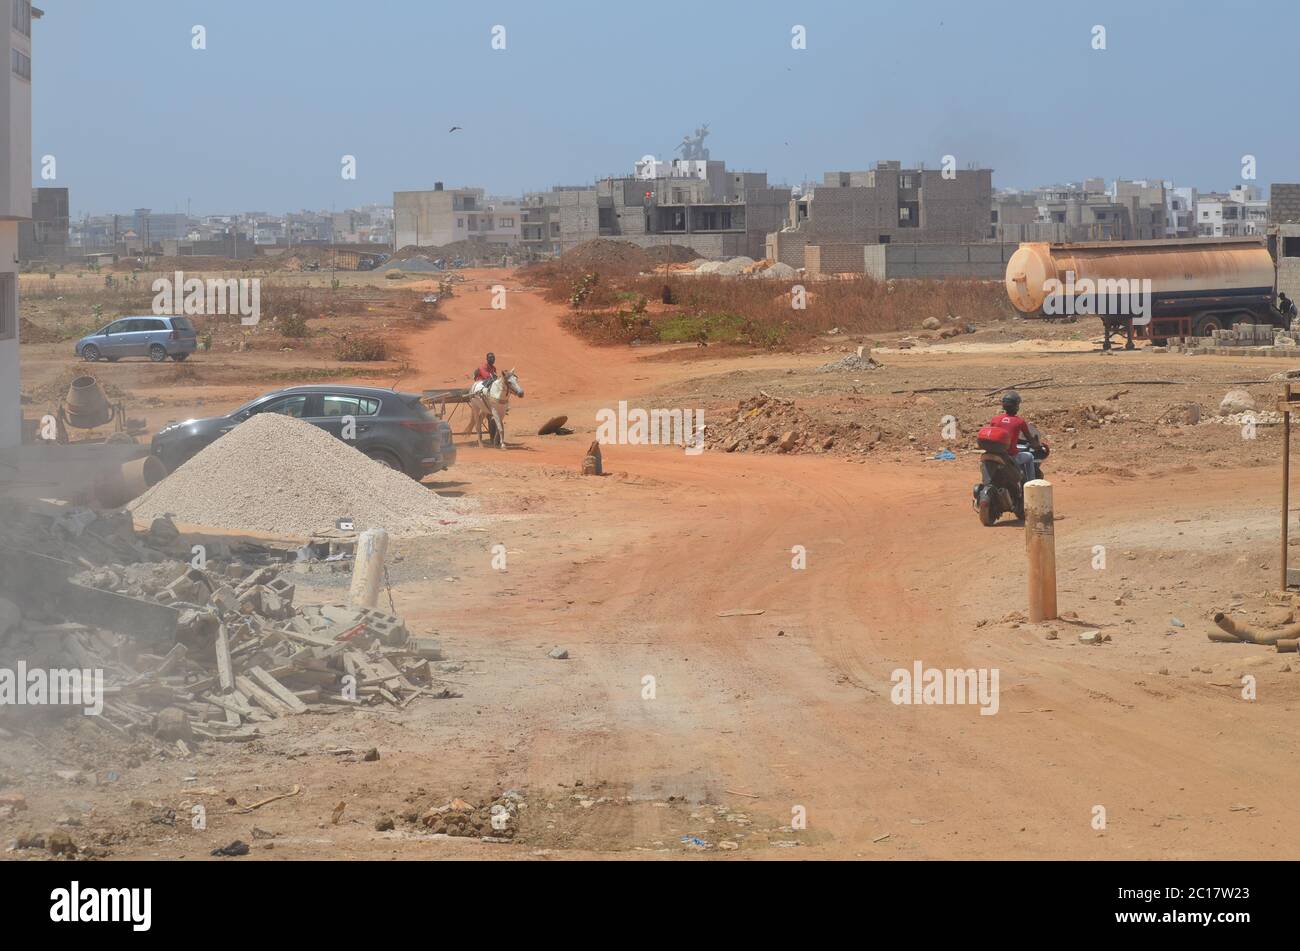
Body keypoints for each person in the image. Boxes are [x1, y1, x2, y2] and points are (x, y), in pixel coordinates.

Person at [986, 390, 1039, 485]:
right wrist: (1037, 445)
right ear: (1017, 406)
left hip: (995, 454)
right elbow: (1030, 440)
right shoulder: (1020, 422)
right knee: (1030, 457)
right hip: (1011, 456)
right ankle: (1031, 484)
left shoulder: (995, 419)